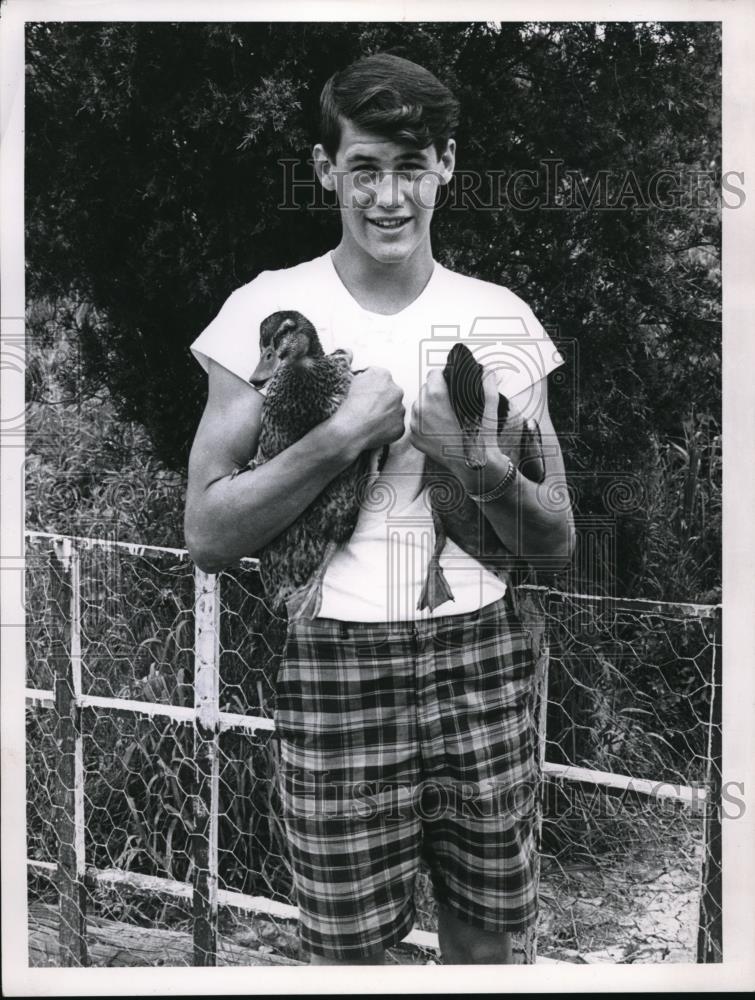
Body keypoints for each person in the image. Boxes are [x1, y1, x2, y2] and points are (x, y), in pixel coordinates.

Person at [185, 52, 574, 965]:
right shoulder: (264, 310)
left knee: (488, 946)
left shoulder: (504, 318)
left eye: (409, 166)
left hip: (483, 654)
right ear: (327, 171)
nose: (387, 196)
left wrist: (472, 462)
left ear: (445, 164)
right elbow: (205, 533)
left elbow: (555, 541)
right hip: (333, 658)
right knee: (348, 956)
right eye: (364, 167)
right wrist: (340, 437)